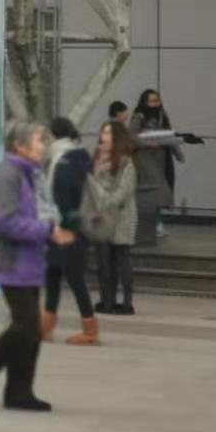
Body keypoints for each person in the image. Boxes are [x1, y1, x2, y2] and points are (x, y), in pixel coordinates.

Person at [0, 122, 76, 413]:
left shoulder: (31, 175)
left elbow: (39, 213)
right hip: (11, 260)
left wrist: (55, 228)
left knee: (31, 329)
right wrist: (47, 231)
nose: (44, 146)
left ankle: (19, 391)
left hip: (30, 260)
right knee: (26, 326)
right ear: (20, 146)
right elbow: (5, 221)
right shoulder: (7, 175)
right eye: (39, 141)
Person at [41, 117, 98, 346]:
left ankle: (90, 330)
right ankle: (46, 326)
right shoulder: (78, 155)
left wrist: (64, 227)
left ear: (54, 135)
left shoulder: (64, 161)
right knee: (52, 274)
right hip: (67, 228)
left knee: (74, 279)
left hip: (68, 230)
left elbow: (63, 198)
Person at [88, 118, 138, 316]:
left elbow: (123, 192)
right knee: (104, 262)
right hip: (101, 217)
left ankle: (126, 303)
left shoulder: (126, 161)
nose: (104, 136)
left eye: (108, 133)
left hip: (121, 216)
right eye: (103, 132)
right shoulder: (97, 158)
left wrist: (104, 202)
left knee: (122, 259)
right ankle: (107, 300)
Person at [132, 89, 181, 244]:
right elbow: (132, 136)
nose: (155, 104)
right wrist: (147, 143)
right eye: (152, 101)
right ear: (145, 102)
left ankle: (156, 223)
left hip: (161, 160)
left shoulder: (162, 115)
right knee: (152, 192)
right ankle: (153, 224)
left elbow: (169, 135)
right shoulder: (139, 117)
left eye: (157, 101)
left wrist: (177, 153)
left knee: (160, 192)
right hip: (144, 160)